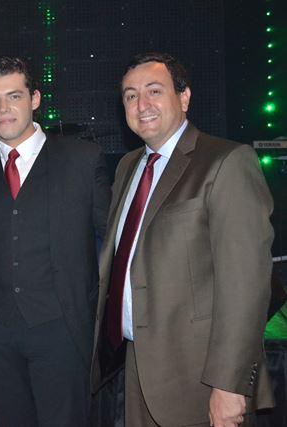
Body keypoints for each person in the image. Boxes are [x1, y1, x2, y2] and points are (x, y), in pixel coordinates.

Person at [90, 52, 275, 427]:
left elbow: (246, 287)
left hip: (200, 381)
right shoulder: (127, 167)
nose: (141, 105)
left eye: (154, 91)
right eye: (130, 96)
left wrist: (229, 385)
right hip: (137, 370)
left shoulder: (226, 162)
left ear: (184, 97)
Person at [0, 56, 111, 427]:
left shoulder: (82, 159)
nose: (3, 108)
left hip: (62, 329)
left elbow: (115, 240)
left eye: (13, 96)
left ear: (34, 99)